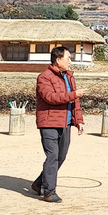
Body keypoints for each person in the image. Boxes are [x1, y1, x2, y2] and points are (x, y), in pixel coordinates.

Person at [31, 46, 85, 203]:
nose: (70, 61)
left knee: (61, 156)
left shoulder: (69, 77)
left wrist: (78, 121)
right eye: (68, 58)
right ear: (58, 60)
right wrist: (73, 94)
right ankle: (49, 192)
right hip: (48, 123)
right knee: (52, 156)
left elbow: (75, 102)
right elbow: (50, 97)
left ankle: (39, 183)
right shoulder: (44, 77)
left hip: (65, 123)